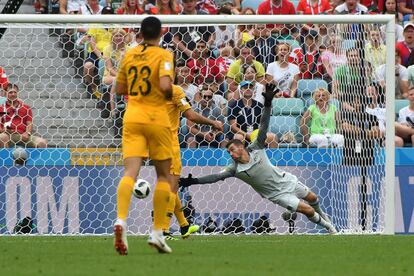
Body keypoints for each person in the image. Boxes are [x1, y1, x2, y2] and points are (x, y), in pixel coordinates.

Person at [179, 83, 337, 234]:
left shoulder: (257, 147)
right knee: (307, 209)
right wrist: (194, 181)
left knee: (313, 198)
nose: (231, 154)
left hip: (287, 180)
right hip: (277, 195)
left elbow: (263, 125)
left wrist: (267, 103)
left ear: (241, 147)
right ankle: (329, 227)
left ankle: (323, 215)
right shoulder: (235, 168)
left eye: (232, 150)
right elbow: (215, 177)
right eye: (229, 152)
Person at [113, 16, 175, 255]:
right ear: (160, 34)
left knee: (130, 172)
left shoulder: (129, 54)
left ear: (140, 33)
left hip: (132, 116)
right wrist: (167, 96)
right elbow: (165, 85)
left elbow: (119, 89)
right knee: (164, 176)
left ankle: (121, 219)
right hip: (156, 118)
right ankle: (158, 233)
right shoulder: (164, 55)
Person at [163, 84, 224, 239]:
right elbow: (190, 116)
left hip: (156, 142)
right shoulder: (175, 90)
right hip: (169, 142)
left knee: (171, 184)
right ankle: (163, 230)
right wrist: (213, 123)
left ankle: (184, 226)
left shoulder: (150, 90)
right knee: (172, 185)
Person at [0, 84, 47, 148]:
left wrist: (27, 133)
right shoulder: (1, 108)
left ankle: (33, 158)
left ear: (17, 93)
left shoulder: (26, 108)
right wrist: (4, 130)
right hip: (8, 135)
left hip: (23, 135)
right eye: (10, 92)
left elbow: (29, 124)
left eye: (15, 92)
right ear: (5, 94)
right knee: (2, 137)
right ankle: (6, 157)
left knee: (42, 142)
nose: (13, 94)